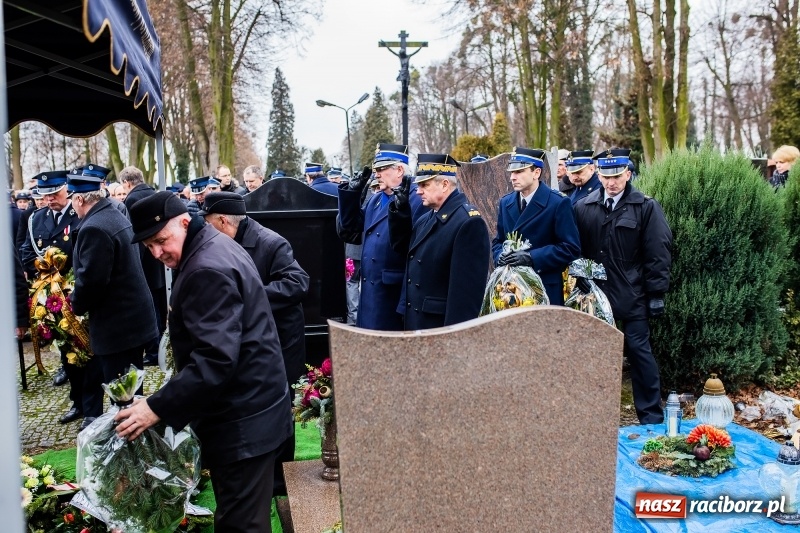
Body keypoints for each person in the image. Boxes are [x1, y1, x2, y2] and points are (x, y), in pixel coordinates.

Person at [119, 192, 292, 532]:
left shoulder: (204, 267)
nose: (156, 253)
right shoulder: (212, 243)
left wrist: (156, 407)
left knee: (242, 524)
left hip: (243, 420)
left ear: (184, 222)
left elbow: (214, 360)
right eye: (148, 246)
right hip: (254, 408)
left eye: (160, 241)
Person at [200, 191, 309, 497]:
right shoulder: (223, 240)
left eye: (208, 223)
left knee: (281, 407)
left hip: (282, 342)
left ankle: (280, 480)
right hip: (254, 339)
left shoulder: (270, 242)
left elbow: (298, 282)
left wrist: (249, 292)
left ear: (223, 221)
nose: (206, 230)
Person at [573, 148, 672, 425]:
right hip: (595, 296)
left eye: (616, 176)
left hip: (633, 294)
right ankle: (591, 417)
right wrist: (579, 273)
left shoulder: (645, 207)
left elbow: (658, 251)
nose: (610, 182)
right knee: (592, 354)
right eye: (605, 176)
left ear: (628, 174)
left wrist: (656, 294)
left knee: (640, 354)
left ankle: (651, 416)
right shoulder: (584, 206)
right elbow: (575, 247)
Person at [67, 172, 158, 430]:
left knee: (123, 397)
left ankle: (130, 450)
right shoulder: (114, 212)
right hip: (132, 321)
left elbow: (93, 281)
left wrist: (74, 306)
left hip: (117, 326)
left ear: (80, 199)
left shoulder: (94, 227)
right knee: (132, 391)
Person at [388, 153, 490, 330]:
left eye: (424, 185)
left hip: (439, 329)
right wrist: (400, 211)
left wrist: (453, 340)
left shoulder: (468, 222)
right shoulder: (426, 218)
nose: (418, 191)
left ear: (444, 185)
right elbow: (405, 249)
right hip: (419, 324)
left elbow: (465, 296)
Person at [337, 143, 426, 330]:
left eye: (381, 169)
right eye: (375, 169)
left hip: (391, 292)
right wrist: (351, 196)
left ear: (399, 170)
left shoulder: (416, 199)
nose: (376, 174)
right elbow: (351, 227)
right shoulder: (376, 199)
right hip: (370, 290)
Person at [19, 170, 86, 415]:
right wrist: (43, 269)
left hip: (75, 292)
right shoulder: (36, 218)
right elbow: (26, 251)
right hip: (51, 296)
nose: (49, 199)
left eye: (54, 194)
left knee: (84, 350)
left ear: (66, 189)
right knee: (65, 350)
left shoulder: (77, 214)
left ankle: (90, 405)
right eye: (45, 195)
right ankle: (77, 401)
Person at [492, 147, 581, 305]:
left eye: (519, 172)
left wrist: (532, 257)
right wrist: (500, 256)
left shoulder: (557, 203)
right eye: (512, 172)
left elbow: (570, 248)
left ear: (536, 173)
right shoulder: (506, 202)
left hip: (544, 289)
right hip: (511, 290)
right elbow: (498, 241)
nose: (513, 177)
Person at [120, 165, 166, 367]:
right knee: (159, 303)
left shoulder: (131, 199)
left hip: (144, 258)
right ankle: (160, 347)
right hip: (158, 259)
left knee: (151, 305)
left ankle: (154, 350)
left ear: (127, 183)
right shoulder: (153, 192)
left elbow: (133, 234)